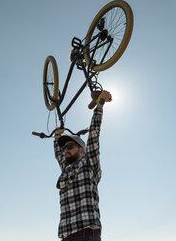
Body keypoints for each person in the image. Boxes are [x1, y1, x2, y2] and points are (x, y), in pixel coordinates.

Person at [53, 90, 112, 241]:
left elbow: (93, 135)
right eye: (64, 148)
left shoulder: (88, 163)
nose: (66, 150)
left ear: (81, 150)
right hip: (67, 236)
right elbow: (57, 153)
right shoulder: (66, 169)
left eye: (70, 146)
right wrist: (57, 136)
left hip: (87, 234)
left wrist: (100, 105)